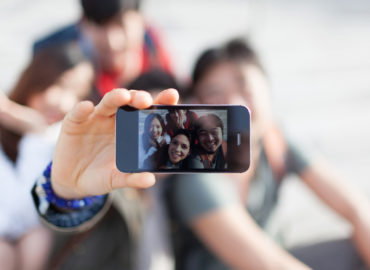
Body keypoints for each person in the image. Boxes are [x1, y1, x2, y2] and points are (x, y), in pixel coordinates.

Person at [166, 38, 370, 270]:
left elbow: (357, 208)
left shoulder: (275, 141)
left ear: (268, 90)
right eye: (215, 94)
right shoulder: (196, 175)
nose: (234, 104)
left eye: (245, 88)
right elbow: (268, 264)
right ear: (197, 107)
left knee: (356, 248)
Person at [0, 43, 94, 270]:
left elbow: (29, 212)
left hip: (35, 246)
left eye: (78, 94)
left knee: (37, 240)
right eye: (61, 86)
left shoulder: (54, 143)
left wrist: (37, 133)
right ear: (38, 79)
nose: (65, 103)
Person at [33, 0, 172, 100]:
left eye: (121, 25)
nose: (112, 42)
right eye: (101, 26)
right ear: (82, 24)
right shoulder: (52, 57)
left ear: (141, 21)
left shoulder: (155, 48)